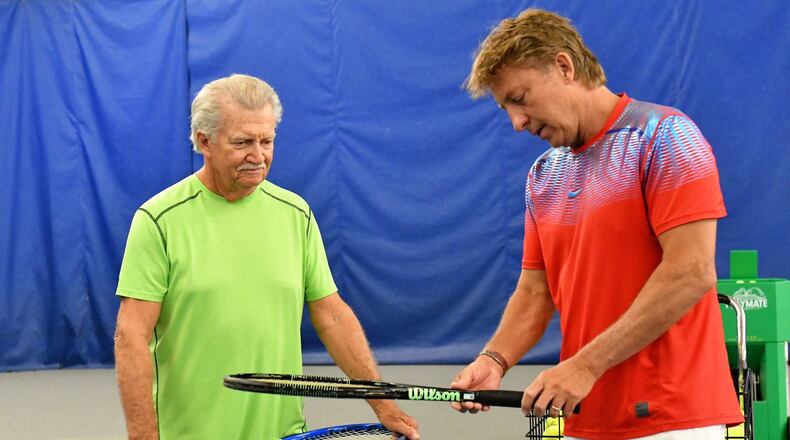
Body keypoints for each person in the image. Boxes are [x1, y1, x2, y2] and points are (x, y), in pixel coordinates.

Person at [451, 9, 742, 440]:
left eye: (520, 97)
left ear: (564, 67)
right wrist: (493, 360)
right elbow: (535, 292)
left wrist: (586, 365)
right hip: (584, 417)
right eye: (506, 108)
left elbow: (691, 272)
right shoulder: (543, 175)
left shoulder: (667, 137)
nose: (517, 123)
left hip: (676, 419)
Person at [114, 74, 419, 440]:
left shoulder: (296, 214)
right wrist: (143, 436)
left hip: (283, 432)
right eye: (242, 142)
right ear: (203, 141)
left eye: (267, 140)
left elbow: (332, 315)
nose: (258, 156)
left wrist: (382, 403)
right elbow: (131, 335)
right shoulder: (158, 221)